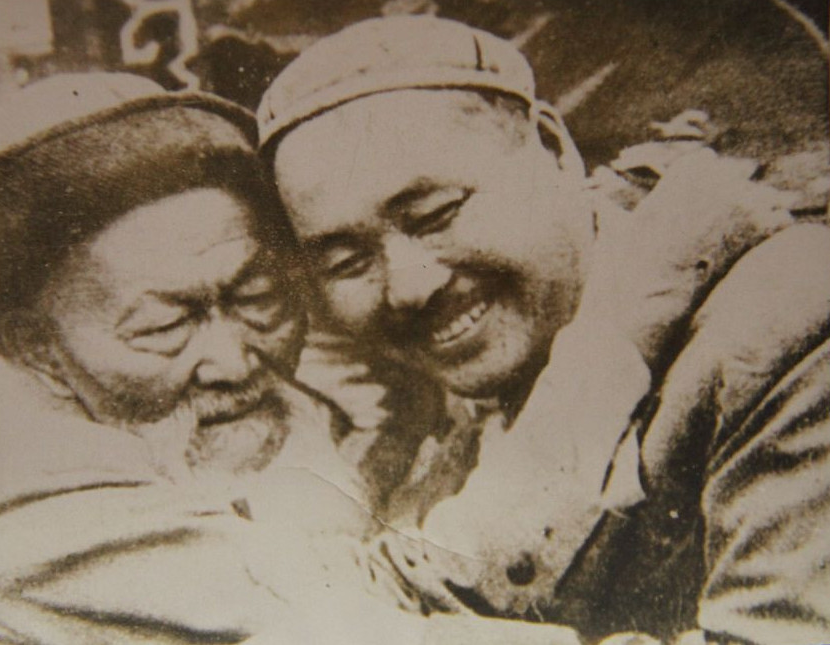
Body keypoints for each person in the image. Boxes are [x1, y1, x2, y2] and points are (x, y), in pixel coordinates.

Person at [258, 15, 830, 645]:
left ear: (554, 150)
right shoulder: (433, 408)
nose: (409, 287)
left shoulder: (786, 321)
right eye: (347, 263)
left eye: (435, 214)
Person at [0, 72, 388, 644]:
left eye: (256, 299)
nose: (235, 363)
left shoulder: (318, 420)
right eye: (164, 327)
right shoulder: (30, 527)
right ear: (37, 349)